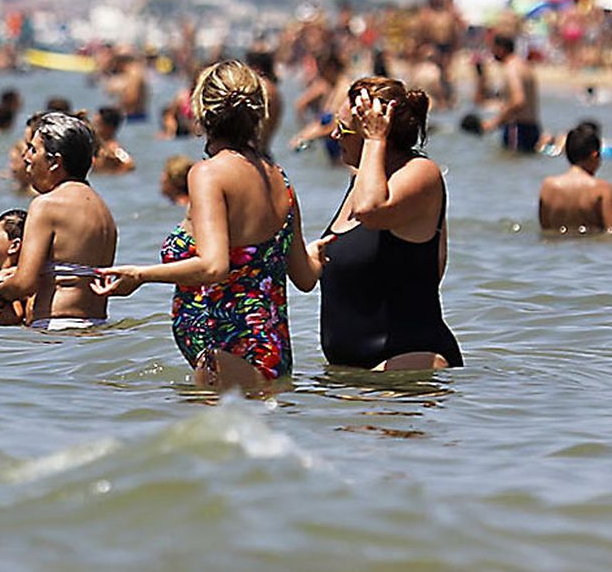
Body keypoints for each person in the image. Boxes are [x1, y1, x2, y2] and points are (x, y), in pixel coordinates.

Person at [93, 61, 318, 389]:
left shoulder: (208, 173)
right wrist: (323, 251)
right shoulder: (279, 178)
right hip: (272, 355)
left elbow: (214, 266)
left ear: (199, 115)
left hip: (226, 357)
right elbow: (305, 277)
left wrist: (139, 275)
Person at [311, 77, 463, 370]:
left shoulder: (421, 173)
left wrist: (374, 140)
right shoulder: (362, 181)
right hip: (357, 381)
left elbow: (371, 211)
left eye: (342, 128)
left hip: (405, 365)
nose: (333, 136)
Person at [0, 112, 118, 331]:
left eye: (33, 150)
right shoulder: (103, 210)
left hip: (58, 330)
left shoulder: (46, 205)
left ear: (55, 162)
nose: (26, 157)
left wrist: (0, 287)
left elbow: (24, 283)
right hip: (96, 327)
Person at [538, 121, 612, 234]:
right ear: (595, 155)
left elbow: (545, 229)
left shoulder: (548, 186)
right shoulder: (602, 188)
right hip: (590, 248)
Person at [483, 33, 540, 153]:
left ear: (500, 49)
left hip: (517, 128)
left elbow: (518, 100)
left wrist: (496, 121)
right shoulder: (525, 66)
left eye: (492, 49)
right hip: (533, 126)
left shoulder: (511, 68)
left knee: (511, 163)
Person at [90, 106, 136, 174]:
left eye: (97, 125)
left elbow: (130, 164)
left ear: (109, 127)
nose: (93, 128)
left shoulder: (113, 148)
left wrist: (115, 173)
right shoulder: (98, 146)